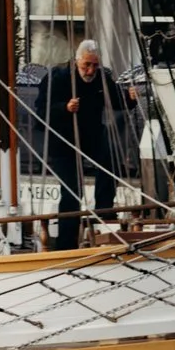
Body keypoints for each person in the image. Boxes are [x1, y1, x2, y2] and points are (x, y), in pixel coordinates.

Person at [37, 36, 120, 251]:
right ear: (77, 61)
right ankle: (66, 245)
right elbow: (41, 110)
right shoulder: (58, 77)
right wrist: (64, 108)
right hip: (63, 141)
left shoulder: (102, 78)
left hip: (91, 137)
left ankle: (103, 213)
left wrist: (129, 98)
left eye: (94, 65)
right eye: (87, 65)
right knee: (73, 191)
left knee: (110, 162)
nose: (91, 70)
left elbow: (117, 100)